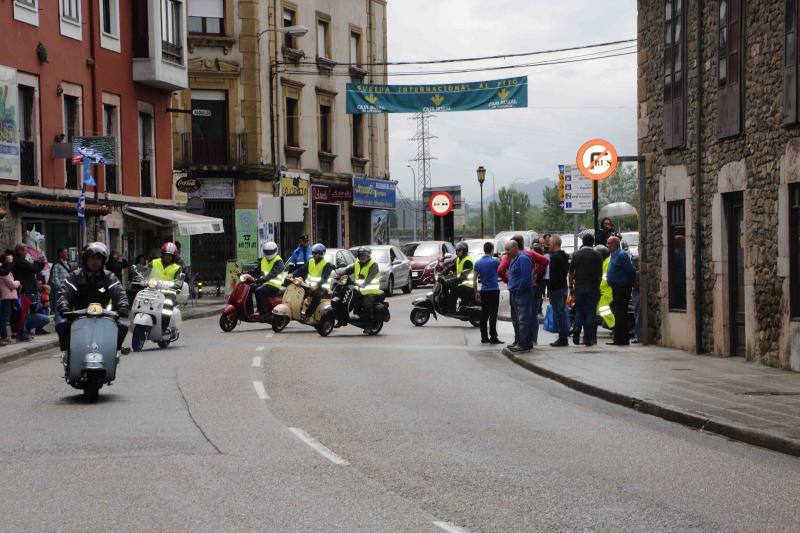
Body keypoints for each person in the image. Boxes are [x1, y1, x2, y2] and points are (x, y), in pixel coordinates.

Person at [56, 242, 129, 366]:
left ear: (103, 261)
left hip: (104, 315)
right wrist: (63, 306)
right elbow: (64, 291)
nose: (95, 261)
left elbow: (119, 292)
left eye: (98, 259)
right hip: (78, 314)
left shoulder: (109, 277)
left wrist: (123, 306)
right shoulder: (75, 276)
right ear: (86, 260)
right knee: (62, 326)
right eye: (92, 258)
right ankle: (66, 353)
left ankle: (115, 351)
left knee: (122, 327)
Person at [498, 234, 548, 346]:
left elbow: (500, 270)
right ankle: (532, 340)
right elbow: (545, 261)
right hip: (532, 288)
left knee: (520, 318)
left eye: (508, 249)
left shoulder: (516, 257)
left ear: (514, 246)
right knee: (532, 316)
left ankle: (521, 341)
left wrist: (508, 281)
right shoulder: (528, 254)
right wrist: (535, 272)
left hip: (521, 290)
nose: (506, 252)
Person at [569, 234, 603, 346]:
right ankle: (588, 338)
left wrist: (571, 288)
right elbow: (599, 274)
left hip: (579, 286)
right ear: (593, 243)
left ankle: (577, 327)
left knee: (579, 310)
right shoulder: (597, 255)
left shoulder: (576, 254)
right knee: (590, 312)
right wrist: (597, 286)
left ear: (583, 242)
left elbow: (571, 273)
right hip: (592, 286)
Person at [336, 246, 381, 325]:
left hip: (370, 291)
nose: (362, 257)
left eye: (364, 255)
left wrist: (364, 284)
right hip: (359, 290)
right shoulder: (357, 263)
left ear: (368, 255)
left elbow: (370, 277)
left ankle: (369, 325)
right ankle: (342, 319)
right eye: (361, 255)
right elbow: (348, 270)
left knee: (367, 306)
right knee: (347, 300)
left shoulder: (373, 264)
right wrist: (340, 274)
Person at [503, 239, 533, 354]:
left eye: (508, 249)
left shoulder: (523, 259)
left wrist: (519, 289)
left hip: (521, 293)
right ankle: (521, 342)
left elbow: (526, 278)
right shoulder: (514, 259)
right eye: (506, 249)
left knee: (523, 320)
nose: (506, 252)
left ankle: (524, 344)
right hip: (515, 292)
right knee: (518, 319)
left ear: (516, 248)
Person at [606, 236, 636, 346]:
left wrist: (629, 283)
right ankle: (620, 338)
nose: (608, 245)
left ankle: (621, 339)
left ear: (616, 244)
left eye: (610, 243)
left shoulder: (622, 255)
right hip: (616, 288)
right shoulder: (614, 255)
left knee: (620, 314)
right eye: (607, 243)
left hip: (622, 288)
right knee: (619, 313)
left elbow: (630, 271)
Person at [12, 244, 44, 342]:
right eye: (25, 251)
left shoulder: (22, 260)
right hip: (24, 291)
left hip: (27, 290)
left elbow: (35, 270)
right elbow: (33, 269)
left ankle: (23, 332)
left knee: (25, 313)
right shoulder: (19, 261)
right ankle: (22, 333)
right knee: (23, 314)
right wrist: (37, 262)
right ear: (20, 251)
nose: (26, 253)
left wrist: (39, 263)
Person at [294, 243, 333, 320]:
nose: (314, 255)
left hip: (322, 287)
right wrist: (292, 274)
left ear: (321, 254)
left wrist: (317, 285)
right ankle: (297, 309)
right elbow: (302, 269)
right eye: (313, 253)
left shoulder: (327, 264)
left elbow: (324, 278)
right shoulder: (311, 261)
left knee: (317, 295)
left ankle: (307, 315)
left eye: (316, 253)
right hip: (309, 286)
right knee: (298, 290)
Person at [149, 242, 183, 331]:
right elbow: (145, 271)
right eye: (166, 254)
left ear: (173, 257)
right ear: (163, 254)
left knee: (167, 306)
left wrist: (178, 285)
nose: (168, 257)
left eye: (170, 255)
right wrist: (139, 277)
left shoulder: (177, 268)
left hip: (168, 293)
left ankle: (164, 327)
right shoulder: (154, 262)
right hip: (153, 290)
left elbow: (180, 279)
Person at [475, 241, 502, 344]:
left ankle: (484, 337)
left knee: (484, 314)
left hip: (484, 291)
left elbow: (474, 278)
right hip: (494, 290)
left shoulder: (478, 263)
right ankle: (493, 337)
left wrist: (476, 291)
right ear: (492, 250)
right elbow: (503, 266)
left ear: (484, 250)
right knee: (493, 315)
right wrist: (500, 258)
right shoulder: (495, 262)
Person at [547, 236, 571, 347]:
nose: (548, 245)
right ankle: (563, 336)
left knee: (559, 314)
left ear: (555, 244)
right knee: (562, 312)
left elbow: (554, 276)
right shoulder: (564, 256)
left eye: (550, 243)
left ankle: (562, 338)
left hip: (556, 289)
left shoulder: (555, 257)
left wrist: (550, 290)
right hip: (563, 287)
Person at [252, 241, 285, 315]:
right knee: (250, 287)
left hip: (274, 286)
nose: (268, 253)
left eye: (270, 252)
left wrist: (262, 280)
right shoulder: (263, 260)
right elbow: (255, 270)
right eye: (266, 251)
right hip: (264, 284)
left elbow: (273, 273)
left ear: (275, 250)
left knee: (259, 291)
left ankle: (264, 313)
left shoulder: (278, 261)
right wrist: (246, 274)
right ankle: (249, 310)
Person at [446, 241, 476, 314]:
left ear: (464, 251)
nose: (457, 252)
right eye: (456, 250)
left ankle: (452, 310)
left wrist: (451, 281)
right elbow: (451, 268)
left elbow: (463, 277)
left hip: (469, 286)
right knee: (448, 287)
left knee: (454, 290)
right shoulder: (459, 259)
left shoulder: (468, 261)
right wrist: (441, 273)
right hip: (463, 284)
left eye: (459, 250)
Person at [49, 247, 72, 326]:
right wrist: (61, 287)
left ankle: (66, 322)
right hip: (61, 289)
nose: (66, 254)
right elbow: (54, 278)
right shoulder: (57, 265)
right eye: (65, 252)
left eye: (67, 252)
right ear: (60, 254)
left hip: (68, 289)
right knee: (59, 306)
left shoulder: (68, 264)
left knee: (67, 305)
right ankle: (58, 324)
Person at [595, 244, 615, 332]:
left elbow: (605, 278)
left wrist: (597, 286)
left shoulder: (607, 263)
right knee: (597, 308)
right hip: (605, 290)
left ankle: (614, 326)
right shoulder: (605, 262)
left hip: (607, 291)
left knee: (603, 308)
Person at [0, 253, 19, 346]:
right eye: (9, 259)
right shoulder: (4, 271)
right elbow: (12, 284)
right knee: (4, 317)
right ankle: (4, 337)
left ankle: (4, 337)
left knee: (5, 317)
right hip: (6, 297)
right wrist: (18, 282)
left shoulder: (5, 269)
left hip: (7, 297)